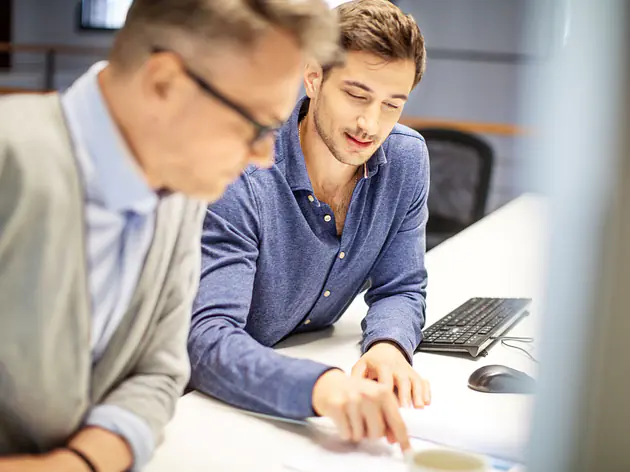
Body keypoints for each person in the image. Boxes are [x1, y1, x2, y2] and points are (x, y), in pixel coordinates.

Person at [0, 0, 337, 470]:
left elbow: (158, 369)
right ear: (164, 84)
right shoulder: (13, 162)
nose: (264, 156)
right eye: (255, 126)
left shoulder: (179, 187)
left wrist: (84, 461)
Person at [189, 0, 430, 451]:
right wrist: (323, 387)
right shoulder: (244, 170)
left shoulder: (406, 160)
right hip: (217, 410)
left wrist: (388, 345)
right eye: (356, 95)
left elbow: (401, 286)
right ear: (314, 76)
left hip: (300, 398)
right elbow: (208, 339)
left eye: (391, 105)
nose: (369, 123)